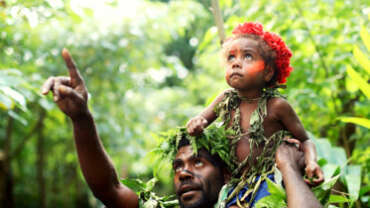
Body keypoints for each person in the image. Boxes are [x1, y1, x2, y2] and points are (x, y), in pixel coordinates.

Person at [41, 49, 322, 208]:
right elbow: (109, 189)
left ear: (226, 173)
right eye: (177, 166)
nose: (183, 172)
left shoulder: (252, 202)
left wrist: (287, 166)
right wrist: (82, 119)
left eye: (197, 162)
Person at [186, 22, 324, 207]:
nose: (236, 62)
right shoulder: (225, 99)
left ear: (267, 72)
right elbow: (199, 120)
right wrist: (195, 126)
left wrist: (311, 163)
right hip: (236, 184)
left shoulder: (277, 106)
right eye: (231, 57)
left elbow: (306, 141)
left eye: (247, 56)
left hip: (271, 181)